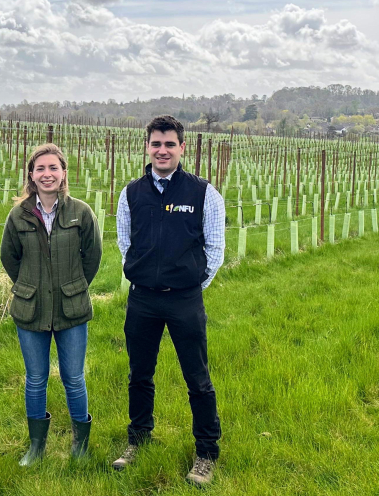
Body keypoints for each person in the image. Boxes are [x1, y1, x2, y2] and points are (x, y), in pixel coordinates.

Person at [113, 115, 225, 486]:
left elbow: (215, 249)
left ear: (182, 148)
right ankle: (138, 438)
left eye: (170, 144)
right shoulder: (131, 193)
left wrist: (189, 284)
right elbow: (125, 244)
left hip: (184, 301)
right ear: (147, 146)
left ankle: (206, 452)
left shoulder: (203, 193)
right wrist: (147, 277)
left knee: (198, 378)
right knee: (139, 374)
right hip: (142, 299)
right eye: (156, 144)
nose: (163, 150)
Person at [0, 143, 102, 466]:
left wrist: (73, 286)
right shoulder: (18, 216)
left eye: (53, 168)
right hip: (31, 309)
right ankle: (36, 447)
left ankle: (80, 446)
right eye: (40, 169)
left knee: (73, 377)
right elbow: (9, 258)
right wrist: (30, 286)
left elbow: (93, 257)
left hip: (72, 310)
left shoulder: (81, 213)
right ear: (31, 175)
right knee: (35, 378)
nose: (47, 174)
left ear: (63, 174)